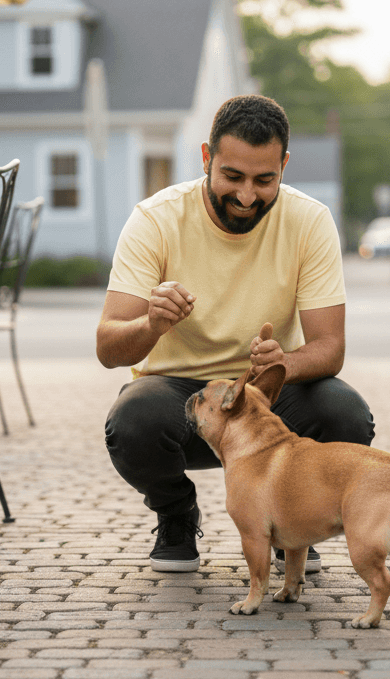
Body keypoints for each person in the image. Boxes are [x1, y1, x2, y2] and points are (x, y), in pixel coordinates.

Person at [97, 94, 375, 573]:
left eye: (264, 180)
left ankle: (296, 523)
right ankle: (176, 513)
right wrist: (152, 324)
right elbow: (107, 346)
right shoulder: (155, 219)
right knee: (132, 422)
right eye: (233, 176)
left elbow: (330, 349)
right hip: (181, 398)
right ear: (206, 158)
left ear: (284, 166)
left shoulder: (309, 221)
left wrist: (282, 363)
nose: (247, 196)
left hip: (265, 393)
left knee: (345, 414)